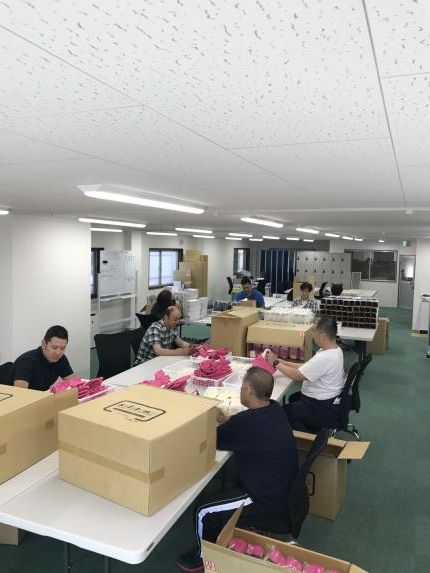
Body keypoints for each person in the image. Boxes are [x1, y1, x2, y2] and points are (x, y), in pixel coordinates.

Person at [177, 367, 298, 573]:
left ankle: (203, 557)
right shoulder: (275, 409)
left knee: (203, 509)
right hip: (282, 488)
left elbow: (212, 440)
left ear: (249, 389)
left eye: (242, 386)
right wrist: (226, 421)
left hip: (265, 499)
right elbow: (244, 428)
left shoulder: (246, 423)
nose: (241, 390)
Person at [267, 315, 344, 432]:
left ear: (323, 335)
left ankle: (303, 436)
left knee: (282, 412)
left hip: (321, 405)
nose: (312, 334)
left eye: (314, 331)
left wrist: (275, 363)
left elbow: (297, 375)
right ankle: (309, 427)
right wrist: (280, 361)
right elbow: (306, 367)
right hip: (328, 399)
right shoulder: (334, 349)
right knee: (293, 398)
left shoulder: (325, 357)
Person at [8, 325, 75, 391]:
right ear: (43, 344)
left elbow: (75, 384)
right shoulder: (27, 362)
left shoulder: (61, 359)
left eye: (62, 348)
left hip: (41, 396)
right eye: (54, 347)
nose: (58, 352)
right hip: (15, 397)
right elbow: (20, 393)